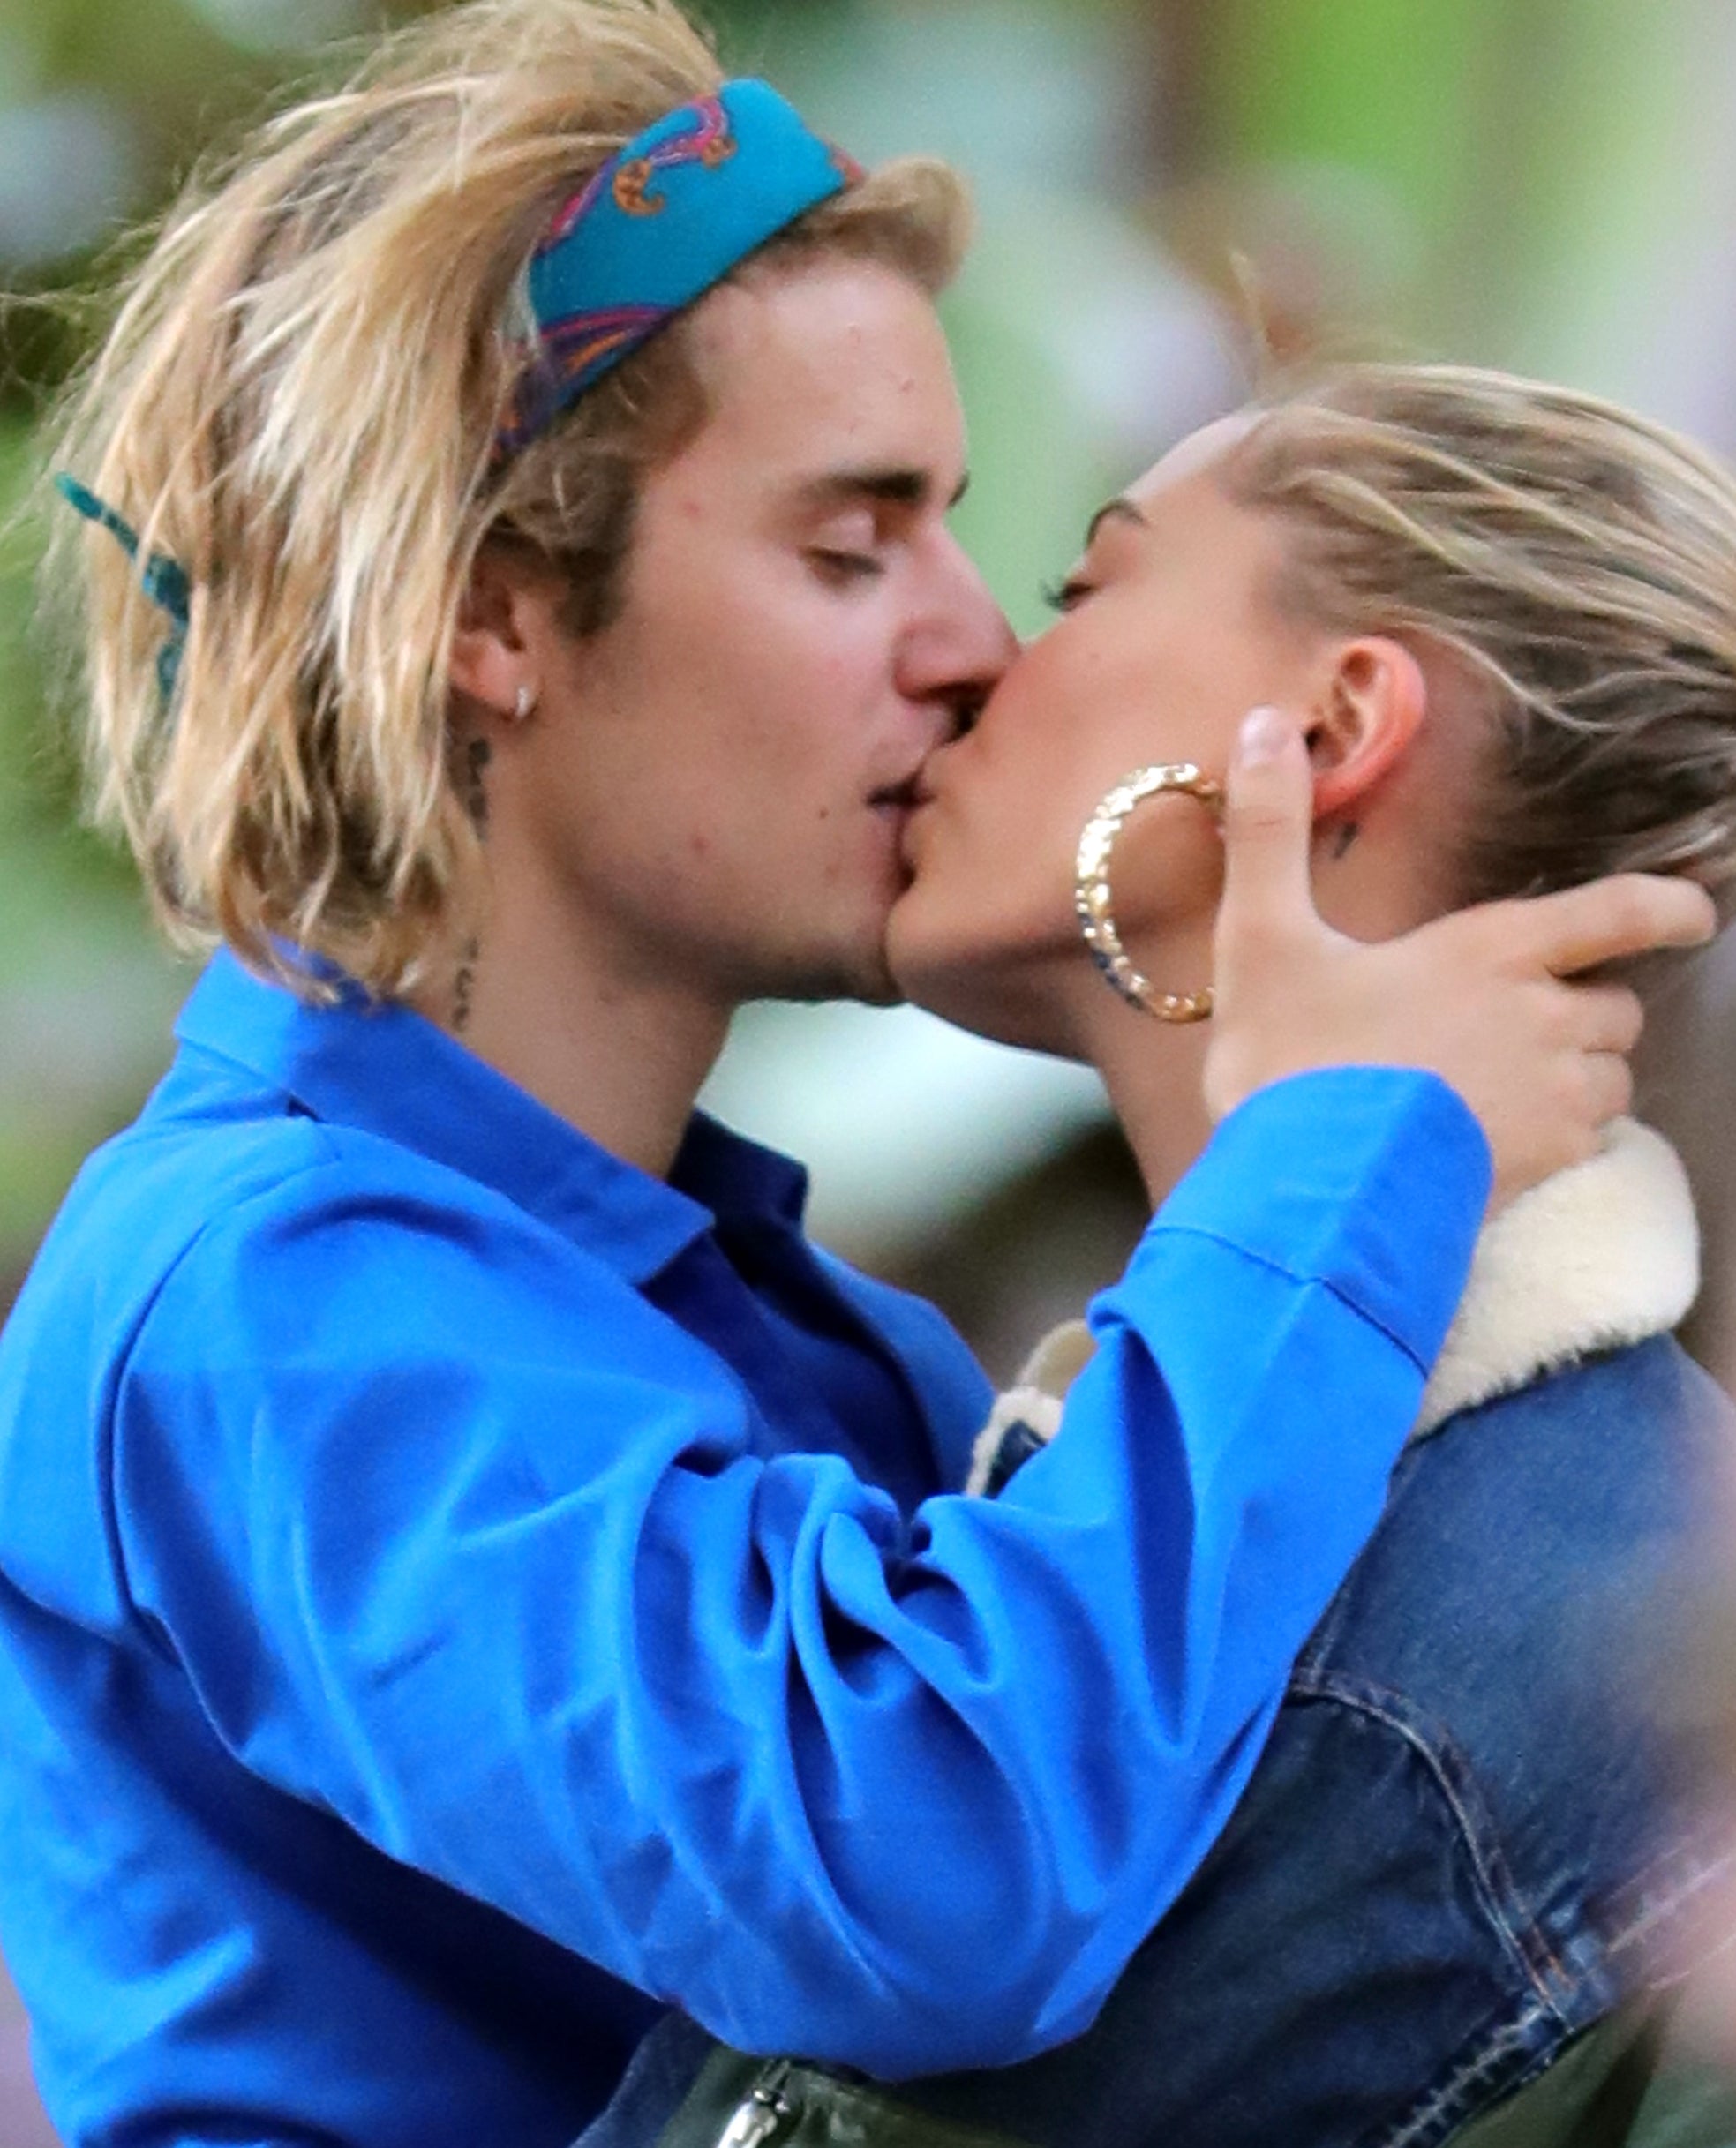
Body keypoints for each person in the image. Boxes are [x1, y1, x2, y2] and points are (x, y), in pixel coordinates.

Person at [0, 1, 1710, 2139]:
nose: (972, 639)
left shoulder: (841, 1354)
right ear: (494, 615)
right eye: (848, 542)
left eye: (964, 529)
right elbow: (919, 1861)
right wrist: (1351, 1145)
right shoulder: (246, 1293)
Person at [626, 366, 1736, 2148]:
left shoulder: (1396, 1649)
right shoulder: (1593, 1531)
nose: (976, 654)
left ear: (1333, 720)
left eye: (1087, 586)